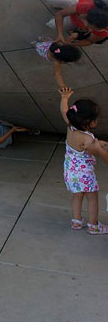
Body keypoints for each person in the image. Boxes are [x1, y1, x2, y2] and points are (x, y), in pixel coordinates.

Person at [59, 87, 108, 234]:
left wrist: (64, 98)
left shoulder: (70, 126)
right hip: (85, 175)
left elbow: (63, 110)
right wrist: (101, 146)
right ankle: (94, 226)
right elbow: (100, 152)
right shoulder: (87, 140)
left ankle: (77, 221)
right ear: (90, 122)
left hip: (70, 172)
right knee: (92, 198)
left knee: (77, 196)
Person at [44, 0, 108, 47]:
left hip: (76, 21)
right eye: (88, 24)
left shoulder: (105, 31)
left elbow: (90, 41)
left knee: (52, 25)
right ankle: (67, 7)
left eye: (93, 29)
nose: (87, 27)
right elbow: (60, 14)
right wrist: (60, 34)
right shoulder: (87, 6)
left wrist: (70, 44)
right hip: (77, 6)